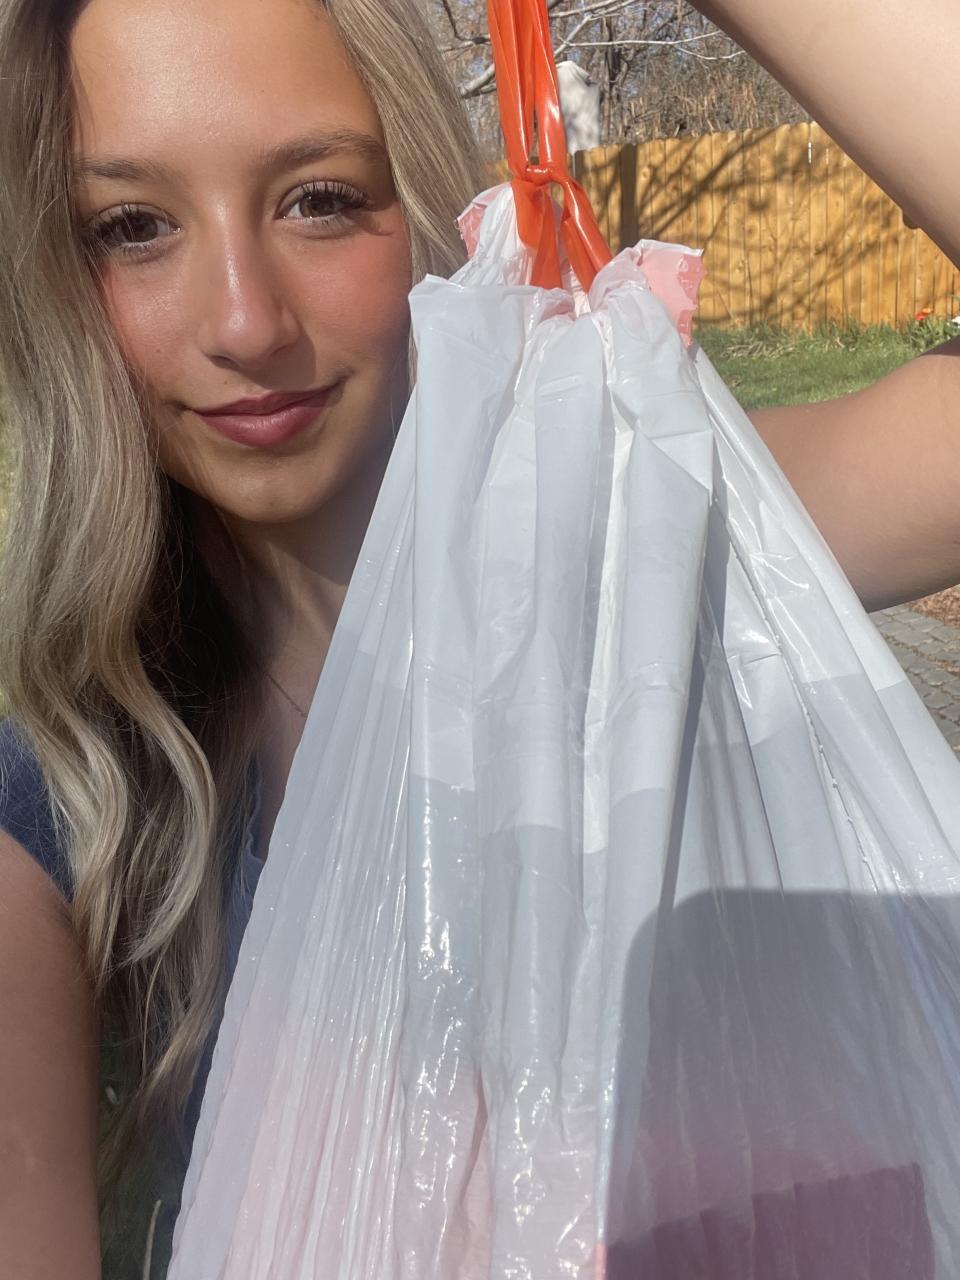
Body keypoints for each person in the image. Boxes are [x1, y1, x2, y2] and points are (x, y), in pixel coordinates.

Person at [0, 0, 956, 1276]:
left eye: (319, 200)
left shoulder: (657, 537)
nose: (245, 321)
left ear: (424, 207)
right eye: (134, 226)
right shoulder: (72, 787)